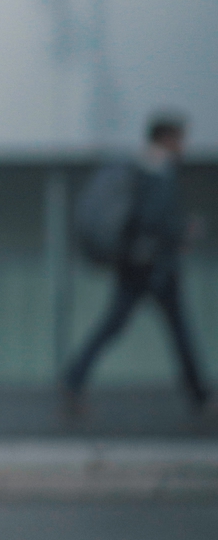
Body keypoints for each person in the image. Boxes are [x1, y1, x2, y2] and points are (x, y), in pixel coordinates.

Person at [63, 112, 209, 416]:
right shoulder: (157, 172)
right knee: (177, 330)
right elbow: (153, 219)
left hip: (135, 264)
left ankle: (74, 381)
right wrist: (182, 231)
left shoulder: (137, 169)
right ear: (167, 139)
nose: (183, 147)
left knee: (114, 326)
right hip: (154, 267)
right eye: (180, 139)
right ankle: (200, 397)